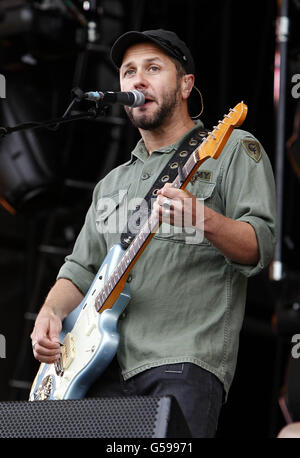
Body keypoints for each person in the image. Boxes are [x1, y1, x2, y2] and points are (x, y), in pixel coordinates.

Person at [30, 29, 276, 438]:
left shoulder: (231, 149)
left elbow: (259, 245)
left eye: (153, 68)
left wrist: (205, 219)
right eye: (128, 72)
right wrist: (50, 312)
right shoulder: (111, 183)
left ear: (185, 85)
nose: (137, 80)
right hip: (98, 372)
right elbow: (79, 269)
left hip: (183, 362)